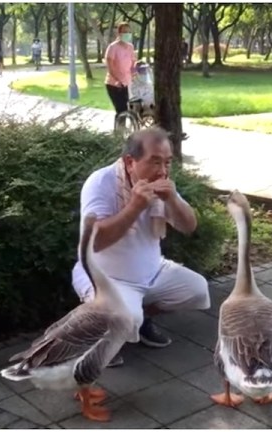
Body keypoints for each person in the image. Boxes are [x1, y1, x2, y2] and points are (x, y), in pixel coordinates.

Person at [71, 127, 210, 367]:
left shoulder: (162, 184)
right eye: (155, 162)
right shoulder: (101, 182)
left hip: (153, 270)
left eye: (167, 162)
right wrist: (134, 207)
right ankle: (102, 336)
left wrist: (174, 200)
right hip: (105, 276)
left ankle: (140, 318)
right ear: (130, 161)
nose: (163, 171)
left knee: (197, 289)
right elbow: (95, 241)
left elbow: (189, 226)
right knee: (127, 317)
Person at [105, 22, 137, 122]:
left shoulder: (130, 47)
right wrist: (118, 80)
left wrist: (134, 73)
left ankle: (126, 131)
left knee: (128, 109)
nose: (127, 34)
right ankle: (119, 134)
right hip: (114, 84)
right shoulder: (112, 47)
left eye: (128, 32)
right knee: (121, 110)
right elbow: (110, 67)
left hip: (127, 83)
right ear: (119, 33)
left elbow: (133, 62)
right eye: (124, 32)